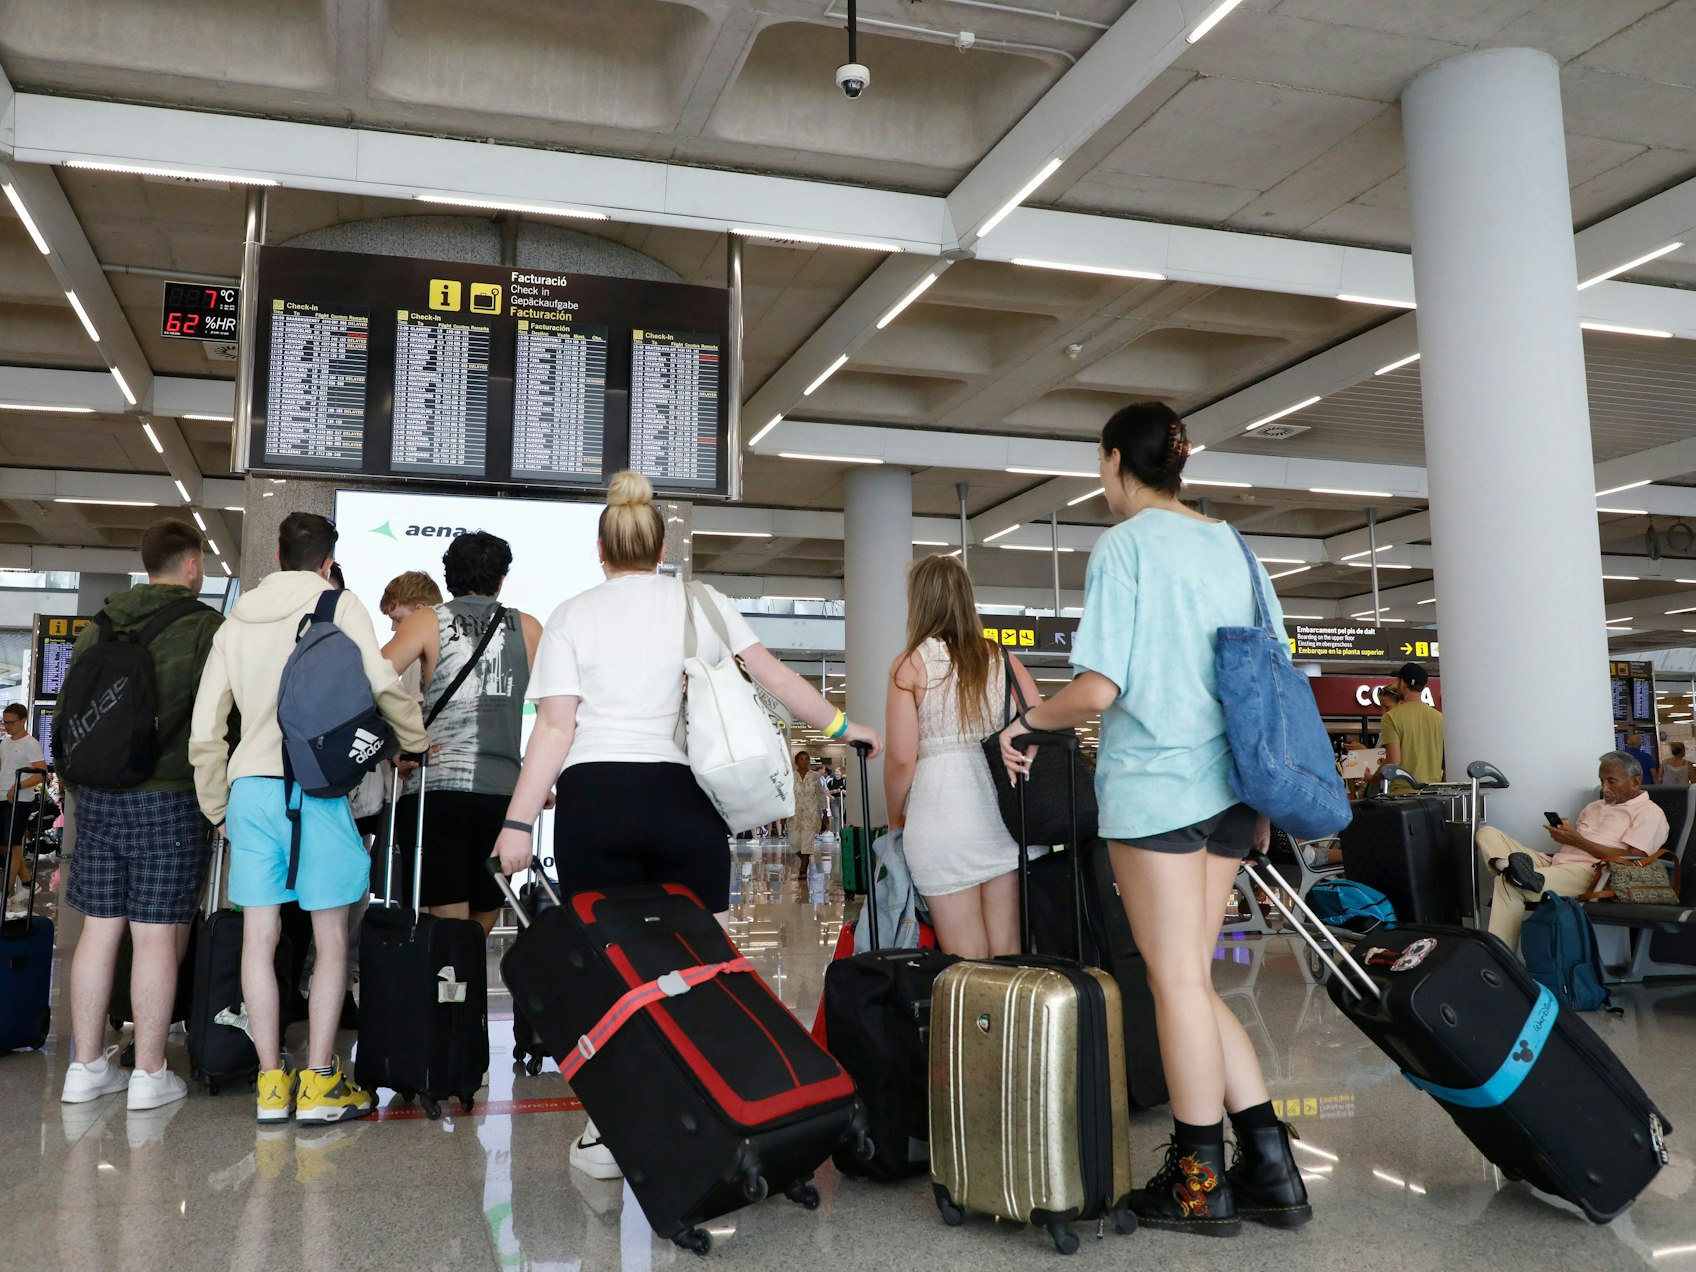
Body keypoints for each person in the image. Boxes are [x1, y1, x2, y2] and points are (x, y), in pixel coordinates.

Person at [490, 470, 882, 1181]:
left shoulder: (573, 613)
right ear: (662, 547)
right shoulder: (704, 602)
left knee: (609, 969)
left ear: (601, 550)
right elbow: (777, 681)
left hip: (594, 800)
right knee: (701, 965)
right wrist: (844, 727)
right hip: (682, 799)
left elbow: (555, 728)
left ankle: (608, 1131)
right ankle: (710, 1108)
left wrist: (519, 822)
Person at [995, 401, 1307, 1237]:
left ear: (1111, 460)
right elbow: (1270, 676)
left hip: (1159, 790)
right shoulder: (1235, 547)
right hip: (1233, 794)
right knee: (1192, 982)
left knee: (1174, 984)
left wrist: (1025, 724)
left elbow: (1100, 688)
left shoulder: (1125, 546)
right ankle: (1272, 1168)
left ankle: (1199, 1184)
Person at [190, 512, 428, 1125]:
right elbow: (382, 682)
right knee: (329, 938)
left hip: (249, 790)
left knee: (259, 938)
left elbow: (206, 729)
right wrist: (413, 738)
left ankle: (271, 1083)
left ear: (277, 556)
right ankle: (321, 1082)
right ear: (327, 562)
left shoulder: (235, 620)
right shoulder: (337, 604)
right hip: (314, 789)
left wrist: (217, 805)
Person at [56, 520, 223, 1110]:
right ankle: (149, 1073)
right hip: (170, 798)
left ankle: (84, 1067)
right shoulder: (203, 627)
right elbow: (215, 721)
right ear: (193, 564)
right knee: (155, 933)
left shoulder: (99, 626)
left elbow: (69, 714)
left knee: (99, 928)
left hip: (99, 796)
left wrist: (80, 795)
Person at [384, 531, 541, 934]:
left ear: (449, 576)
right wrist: (539, 779)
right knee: (485, 909)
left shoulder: (426, 621)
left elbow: (370, 679)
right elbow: (555, 714)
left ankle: (452, 972)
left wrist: (401, 744)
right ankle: (464, 968)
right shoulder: (528, 628)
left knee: (446, 922)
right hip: (504, 793)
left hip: (438, 789)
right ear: (501, 579)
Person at [885, 554, 1039, 959]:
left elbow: (901, 758)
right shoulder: (1002, 658)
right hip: (1002, 817)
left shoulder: (911, 665)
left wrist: (896, 816)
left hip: (940, 820)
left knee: (965, 960)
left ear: (919, 601)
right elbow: (1040, 721)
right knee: (1008, 952)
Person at [1477, 751, 1669, 952]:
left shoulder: (1650, 813)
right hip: (1555, 862)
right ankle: (1508, 867)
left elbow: (1634, 859)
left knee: (1507, 883)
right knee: (1487, 833)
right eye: (1601, 781)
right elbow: (1580, 841)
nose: (1604, 788)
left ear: (1635, 782)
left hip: (1591, 872)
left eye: (1611, 781)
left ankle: (1499, 960)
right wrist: (1567, 834)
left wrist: (1578, 840)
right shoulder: (1594, 807)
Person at [1, 702, 48, 905]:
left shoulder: (31, 744)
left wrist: (17, 787)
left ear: (23, 721)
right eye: (4, 722)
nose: (7, 726)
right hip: (2, 796)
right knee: (4, 846)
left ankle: (7, 892)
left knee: (12, 846)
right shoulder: (5, 742)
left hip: (19, 800)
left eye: (11, 722)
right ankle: (29, 883)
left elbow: (41, 773)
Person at [1377, 664, 1443, 788]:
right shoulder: (1439, 717)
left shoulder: (1391, 717)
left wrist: (1372, 778)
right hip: (1433, 791)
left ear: (1402, 683)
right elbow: (1445, 762)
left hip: (1403, 792)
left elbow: (1393, 761)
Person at [788, 750, 826, 865]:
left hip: (810, 814)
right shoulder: (790, 776)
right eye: (801, 759)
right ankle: (804, 859)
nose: (804, 761)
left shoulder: (815, 776)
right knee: (794, 842)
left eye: (807, 759)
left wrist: (825, 812)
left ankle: (804, 868)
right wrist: (783, 814)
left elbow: (820, 794)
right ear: (796, 762)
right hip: (794, 814)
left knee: (807, 842)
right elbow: (785, 795)